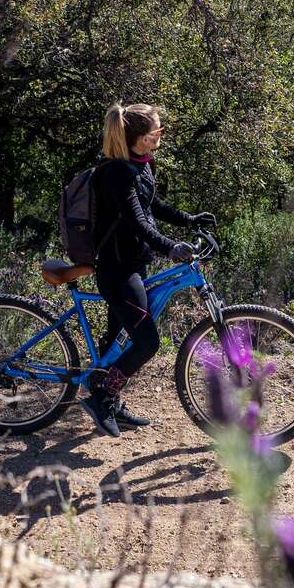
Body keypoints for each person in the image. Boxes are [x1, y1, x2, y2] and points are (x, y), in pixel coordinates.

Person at [82, 103, 216, 438]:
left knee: (119, 341)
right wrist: (170, 247)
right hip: (116, 271)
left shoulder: (139, 165)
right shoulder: (116, 173)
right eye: (157, 131)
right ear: (140, 137)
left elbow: (151, 204)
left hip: (132, 265)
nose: (160, 136)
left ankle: (110, 399)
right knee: (145, 343)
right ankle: (102, 397)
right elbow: (137, 222)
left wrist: (188, 219)